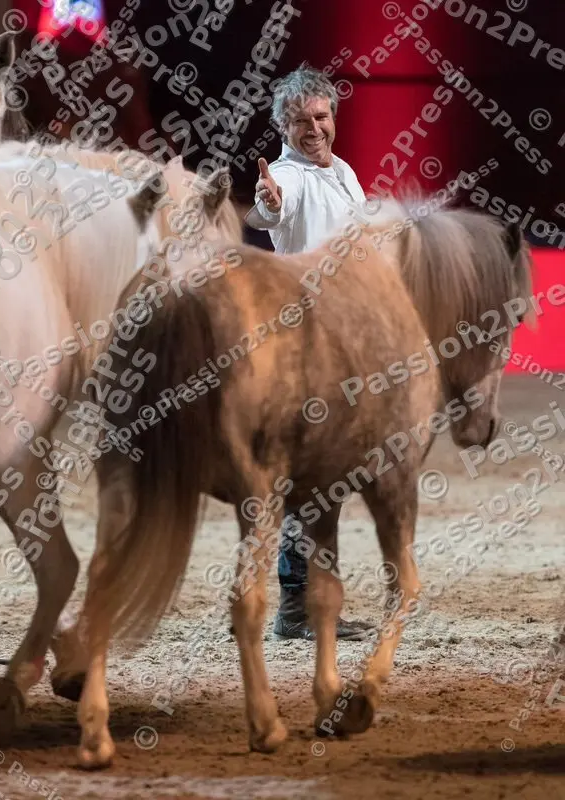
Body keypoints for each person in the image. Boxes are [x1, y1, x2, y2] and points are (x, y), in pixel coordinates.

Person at [244, 64, 377, 642]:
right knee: (311, 479)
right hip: (306, 348)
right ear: (283, 126)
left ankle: (310, 602)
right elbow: (273, 208)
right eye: (301, 121)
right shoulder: (289, 177)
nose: (314, 129)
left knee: (329, 478)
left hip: (345, 342)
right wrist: (268, 200)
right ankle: (297, 607)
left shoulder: (344, 172)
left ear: (333, 118)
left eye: (321, 117)